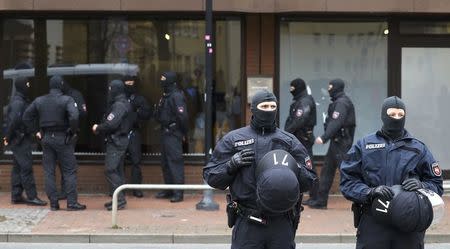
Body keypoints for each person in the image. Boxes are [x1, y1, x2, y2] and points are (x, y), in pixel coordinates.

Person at [204, 90, 317, 249]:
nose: (269, 110)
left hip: (281, 222)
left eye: (273, 106)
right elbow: (211, 177)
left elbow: (310, 180)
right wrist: (231, 165)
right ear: (254, 108)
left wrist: (296, 169)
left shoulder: (289, 141)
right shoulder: (234, 139)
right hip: (248, 222)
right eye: (265, 106)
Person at [340, 96, 443, 249]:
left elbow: (436, 184)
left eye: (400, 115)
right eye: (392, 114)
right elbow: (348, 181)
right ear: (383, 115)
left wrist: (422, 185)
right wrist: (370, 192)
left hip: (409, 222)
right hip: (373, 221)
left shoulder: (419, 149)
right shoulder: (364, 146)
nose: (396, 118)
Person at [23, 75, 86, 211]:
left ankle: (53, 203)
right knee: (69, 171)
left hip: (46, 138)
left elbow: (26, 116)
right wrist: (72, 131)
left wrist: (36, 132)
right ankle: (72, 203)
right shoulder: (67, 99)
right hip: (63, 138)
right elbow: (74, 116)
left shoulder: (40, 100)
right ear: (61, 85)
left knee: (49, 172)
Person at [307, 78, 355, 209]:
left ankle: (361, 199)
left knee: (347, 173)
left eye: (330, 87)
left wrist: (323, 137)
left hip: (342, 143)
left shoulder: (341, 103)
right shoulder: (338, 102)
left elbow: (336, 122)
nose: (328, 90)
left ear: (336, 88)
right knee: (326, 172)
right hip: (336, 143)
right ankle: (321, 201)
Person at [3, 77, 47, 206]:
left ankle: (16, 195)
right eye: (27, 84)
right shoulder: (18, 102)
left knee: (18, 168)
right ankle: (32, 196)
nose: (28, 86)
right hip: (20, 139)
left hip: (18, 139)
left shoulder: (20, 100)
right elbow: (14, 121)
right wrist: (8, 136)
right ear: (22, 86)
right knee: (26, 168)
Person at [92, 79, 133, 211]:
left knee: (110, 169)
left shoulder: (119, 105)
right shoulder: (121, 103)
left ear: (115, 90)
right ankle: (118, 198)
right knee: (118, 170)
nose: (109, 91)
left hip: (117, 141)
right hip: (119, 140)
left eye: (111, 89)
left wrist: (98, 127)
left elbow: (111, 124)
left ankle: (119, 200)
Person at [154, 71, 188, 203]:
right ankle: (169, 189)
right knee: (165, 163)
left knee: (175, 162)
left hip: (174, 133)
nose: (162, 82)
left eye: (164, 79)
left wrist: (183, 133)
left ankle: (178, 193)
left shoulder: (176, 96)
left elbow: (183, 117)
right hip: (165, 132)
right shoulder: (165, 95)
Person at [284, 78, 317, 204]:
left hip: (303, 138)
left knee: (308, 165)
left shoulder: (305, 101)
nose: (291, 91)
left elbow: (300, 119)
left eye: (293, 89)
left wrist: (287, 133)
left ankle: (314, 196)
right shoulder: (300, 100)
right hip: (298, 137)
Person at [57, 81, 88, 200]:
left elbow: (82, 112)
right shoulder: (60, 95)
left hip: (70, 133)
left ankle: (68, 192)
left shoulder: (75, 95)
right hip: (61, 134)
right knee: (63, 162)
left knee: (67, 164)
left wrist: (72, 126)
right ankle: (66, 191)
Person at [123, 75, 152, 198]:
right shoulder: (119, 98)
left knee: (136, 162)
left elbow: (146, 113)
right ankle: (118, 189)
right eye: (127, 83)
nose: (129, 86)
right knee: (119, 162)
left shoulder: (139, 99)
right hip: (120, 134)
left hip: (134, 133)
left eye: (131, 83)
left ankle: (136, 189)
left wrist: (134, 116)